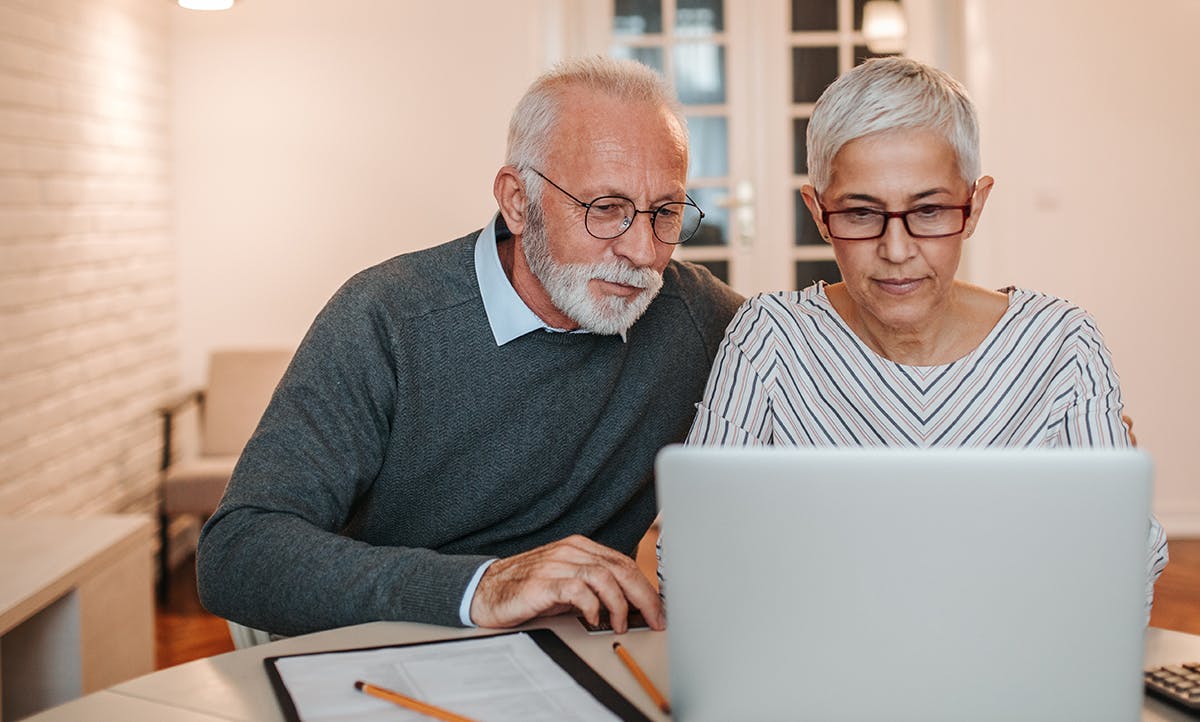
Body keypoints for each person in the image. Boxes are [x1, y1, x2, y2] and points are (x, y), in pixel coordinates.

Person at [196, 56, 743, 637]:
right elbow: (238, 551)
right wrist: (483, 585)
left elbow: (816, 338)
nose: (641, 249)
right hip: (385, 642)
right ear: (516, 199)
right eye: (605, 209)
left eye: (665, 212)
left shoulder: (695, 315)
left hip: (577, 657)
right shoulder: (388, 317)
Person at [662, 57, 1167, 616]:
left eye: (928, 210)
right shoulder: (768, 339)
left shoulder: (1060, 345)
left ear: (974, 206)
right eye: (860, 212)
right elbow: (689, 559)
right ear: (819, 212)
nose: (897, 251)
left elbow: (1123, 576)